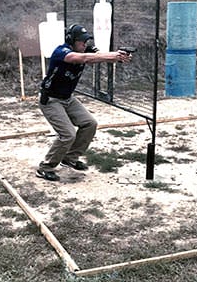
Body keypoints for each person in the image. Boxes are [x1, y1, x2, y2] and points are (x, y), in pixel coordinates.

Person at [37, 24, 132, 181]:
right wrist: (114, 56)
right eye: (81, 41)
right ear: (71, 40)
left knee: (90, 124)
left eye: (85, 41)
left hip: (67, 98)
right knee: (68, 134)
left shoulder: (85, 50)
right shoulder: (61, 52)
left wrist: (118, 57)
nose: (84, 44)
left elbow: (98, 55)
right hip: (51, 99)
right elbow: (83, 58)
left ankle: (70, 158)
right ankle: (45, 167)